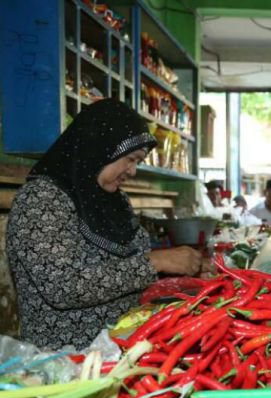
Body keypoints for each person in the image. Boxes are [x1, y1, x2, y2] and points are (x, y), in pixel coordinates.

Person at [6, 98, 202, 350]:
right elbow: (62, 287)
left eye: (138, 162)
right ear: (99, 147)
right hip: (66, 357)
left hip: (121, 346)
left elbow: (131, 265)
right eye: (130, 158)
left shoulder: (114, 200)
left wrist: (185, 269)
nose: (133, 171)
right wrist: (156, 262)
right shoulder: (42, 199)